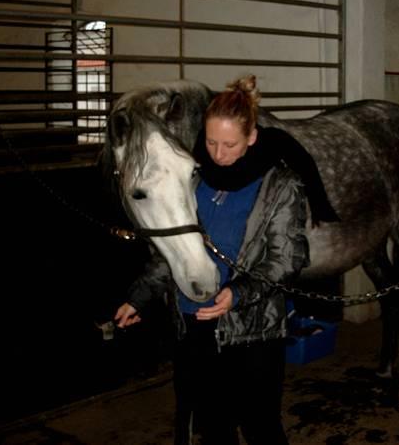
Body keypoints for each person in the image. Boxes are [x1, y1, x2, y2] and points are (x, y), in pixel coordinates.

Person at [114, 74, 336, 444]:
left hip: (250, 332)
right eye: (211, 142)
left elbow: (286, 260)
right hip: (193, 326)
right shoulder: (193, 177)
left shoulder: (280, 185)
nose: (218, 154)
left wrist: (238, 293)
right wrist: (140, 297)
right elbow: (172, 247)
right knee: (213, 427)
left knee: (260, 426)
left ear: (251, 137)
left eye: (230, 144)